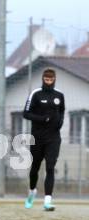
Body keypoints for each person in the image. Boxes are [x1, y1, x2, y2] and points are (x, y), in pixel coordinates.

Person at [23, 68, 65, 211]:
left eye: (51, 80)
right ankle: (32, 192)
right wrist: (42, 119)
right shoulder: (35, 94)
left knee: (50, 167)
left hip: (53, 138)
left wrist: (59, 123)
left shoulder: (60, 95)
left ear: (54, 79)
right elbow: (26, 114)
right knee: (35, 167)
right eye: (46, 80)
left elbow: (62, 111)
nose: (48, 82)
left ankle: (47, 201)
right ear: (43, 79)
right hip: (37, 137)